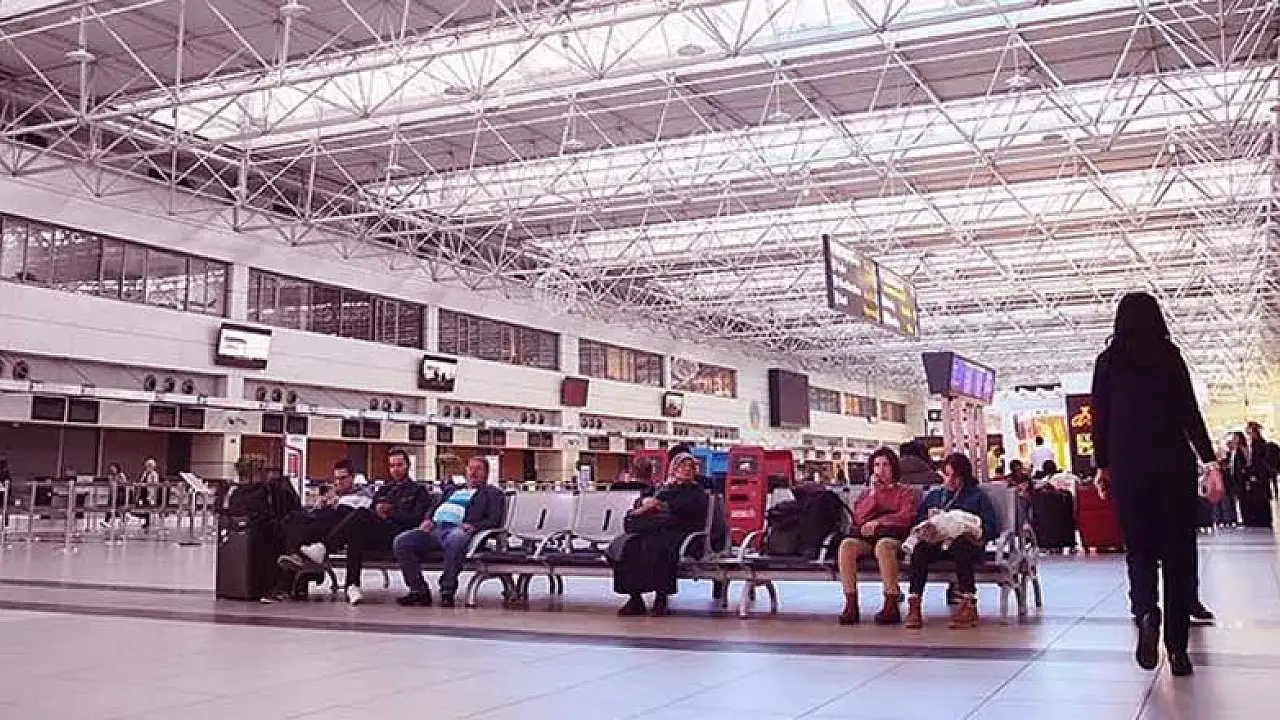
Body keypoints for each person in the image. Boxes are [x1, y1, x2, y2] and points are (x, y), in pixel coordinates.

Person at [1092, 292, 1224, 676]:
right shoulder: (1170, 357)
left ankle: (1147, 613)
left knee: (1139, 551)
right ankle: (1178, 651)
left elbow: (1101, 418)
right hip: (1173, 469)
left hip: (1129, 470)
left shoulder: (1108, 362)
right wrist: (1210, 461)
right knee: (1179, 556)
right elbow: (1189, 414)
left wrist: (1103, 466)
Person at [299, 448, 434, 605]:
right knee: (356, 531)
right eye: (392, 466)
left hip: (399, 533)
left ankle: (324, 548)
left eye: (399, 465)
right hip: (379, 530)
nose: (395, 470)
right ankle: (352, 585)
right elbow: (372, 511)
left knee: (360, 515)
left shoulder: (418, 490)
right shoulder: (384, 489)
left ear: (408, 466)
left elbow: (415, 519)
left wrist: (390, 511)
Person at [394, 457, 507, 608]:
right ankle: (418, 590)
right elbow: (433, 507)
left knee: (457, 538)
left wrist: (474, 526)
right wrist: (428, 519)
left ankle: (447, 590)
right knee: (402, 541)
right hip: (435, 529)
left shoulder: (492, 493)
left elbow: (494, 519)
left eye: (478, 469)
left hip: (460, 530)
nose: (473, 472)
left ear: (486, 473)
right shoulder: (452, 490)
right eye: (470, 468)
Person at [903, 453, 997, 630]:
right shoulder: (935, 495)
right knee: (921, 549)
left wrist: (968, 527)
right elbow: (918, 520)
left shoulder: (977, 497)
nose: (950, 480)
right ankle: (914, 602)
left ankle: (968, 602)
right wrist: (928, 523)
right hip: (937, 543)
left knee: (961, 545)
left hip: (965, 545)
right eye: (947, 475)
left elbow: (991, 527)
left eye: (955, 476)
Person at [612, 452, 709, 617]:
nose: (687, 470)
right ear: (674, 469)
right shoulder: (662, 487)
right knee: (628, 546)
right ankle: (635, 598)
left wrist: (658, 504)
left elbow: (686, 510)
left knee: (660, 547)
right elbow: (645, 499)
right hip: (656, 529)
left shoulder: (696, 491)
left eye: (690, 467)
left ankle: (661, 597)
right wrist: (648, 502)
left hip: (682, 532)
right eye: (682, 466)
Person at [836, 447, 919, 625]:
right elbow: (859, 518)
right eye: (877, 465)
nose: (881, 470)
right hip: (868, 539)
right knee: (847, 546)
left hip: (894, 538)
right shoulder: (868, 493)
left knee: (883, 546)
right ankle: (851, 603)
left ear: (893, 468)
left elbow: (906, 517)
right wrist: (873, 495)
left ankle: (891, 602)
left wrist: (879, 523)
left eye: (886, 465)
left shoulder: (905, 491)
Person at [275, 459, 375, 596]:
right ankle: (297, 560)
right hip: (324, 526)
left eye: (343, 478)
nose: (339, 482)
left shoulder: (364, 494)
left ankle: (303, 563)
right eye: (336, 479)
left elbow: (357, 515)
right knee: (293, 519)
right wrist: (321, 505)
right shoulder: (336, 494)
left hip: (340, 529)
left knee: (338, 512)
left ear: (353, 477)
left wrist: (335, 504)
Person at [1239, 423, 1275, 528]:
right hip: (1260, 476)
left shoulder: (1257, 444)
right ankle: (1263, 519)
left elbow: (1258, 461)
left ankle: (1262, 520)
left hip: (1259, 477)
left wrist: (1251, 472)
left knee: (1260, 498)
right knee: (1260, 498)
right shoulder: (1258, 443)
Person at [100, 463, 130, 528]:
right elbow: (110, 484)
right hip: (113, 493)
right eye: (111, 468)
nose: (112, 469)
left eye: (113, 468)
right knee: (110, 508)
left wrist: (117, 480)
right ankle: (106, 521)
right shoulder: (110, 476)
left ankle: (123, 520)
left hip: (120, 493)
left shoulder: (121, 475)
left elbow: (124, 483)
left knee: (120, 508)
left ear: (117, 468)